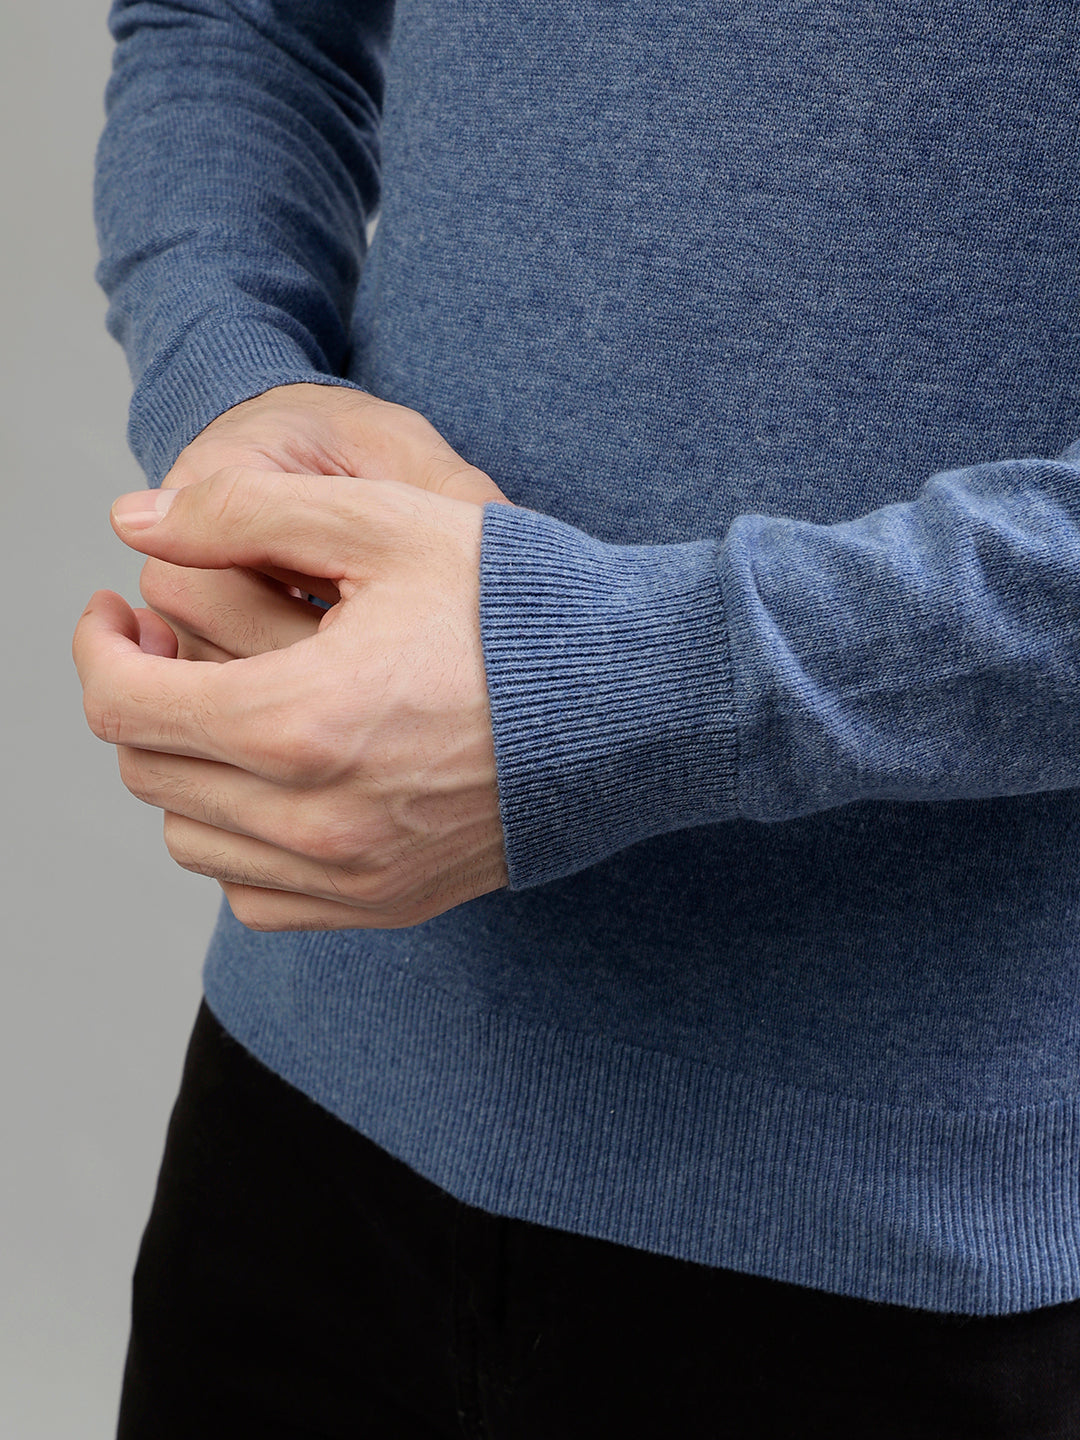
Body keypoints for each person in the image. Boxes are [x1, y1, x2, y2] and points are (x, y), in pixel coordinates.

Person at [74, 0, 1080, 1434]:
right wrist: (236, 390)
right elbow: (237, 22)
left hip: (912, 1251)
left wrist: (630, 683)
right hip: (300, 1112)